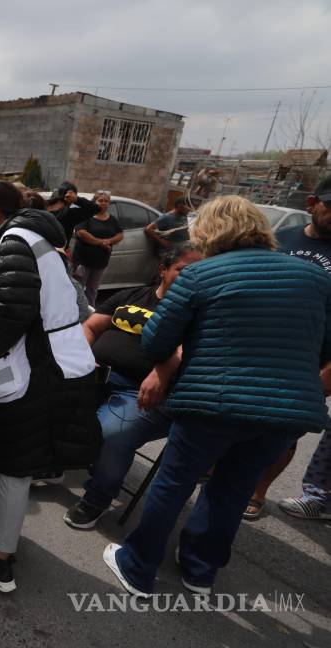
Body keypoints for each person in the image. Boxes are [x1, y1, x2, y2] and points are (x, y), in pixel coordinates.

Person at [103, 196, 331, 598]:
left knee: (173, 483)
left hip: (214, 403)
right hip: (285, 412)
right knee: (233, 489)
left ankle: (137, 568)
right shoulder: (315, 278)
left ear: (208, 232)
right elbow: (323, 346)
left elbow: (156, 341)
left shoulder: (201, 275)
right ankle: (200, 571)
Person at [0, 181, 101, 593]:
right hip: (50, 360)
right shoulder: (34, 237)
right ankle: (4, 514)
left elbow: (16, 310)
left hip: (40, 368)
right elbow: (29, 308)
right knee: (15, 452)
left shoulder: (14, 240)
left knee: (17, 460)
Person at [63, 244, 203, 529]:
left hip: (140, 390)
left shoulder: (197, 312)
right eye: (183, 270)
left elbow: (183, 350)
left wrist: (161, 373)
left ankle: (97, 498)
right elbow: (90, 327)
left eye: (198, 272)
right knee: (52, 398)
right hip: (96, 375)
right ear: (163, 270)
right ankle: (56, 463)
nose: (191, 277)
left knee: (111, 433)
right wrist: (83, 358)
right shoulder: (131, 295)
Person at [244, 175, 331, 520]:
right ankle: (224, 473)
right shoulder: (281, 240)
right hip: (259, 348)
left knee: (283, 433)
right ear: (312, 204)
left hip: (311, 362)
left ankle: (257, 491)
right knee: (239, 417)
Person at [70, 191, 123, 306]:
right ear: (94, 202)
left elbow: (120, 234)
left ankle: (89, 313)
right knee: (77, 289)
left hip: (100, 263)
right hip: (83, 262)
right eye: (100, 200)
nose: (103, 203)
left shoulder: (112, 220)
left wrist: (109, 241)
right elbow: (81, 233)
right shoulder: (87, 216)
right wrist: (101, 243)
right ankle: (74, 311)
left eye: (106, 201)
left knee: (92, 290)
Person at [53, 181, 101, 246]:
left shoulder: (43, 207)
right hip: (58, 251)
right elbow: (96, 208)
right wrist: (76, 200)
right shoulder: (70, 214)